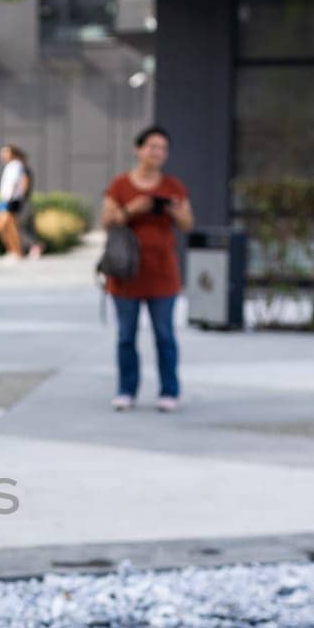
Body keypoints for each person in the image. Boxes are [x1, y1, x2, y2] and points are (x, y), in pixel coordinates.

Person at [100, 125, 193, 412]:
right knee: (126, 336)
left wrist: (172, 210)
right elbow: (106, 221)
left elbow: (188, 224)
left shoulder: (173, 187)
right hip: (126, 274)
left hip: (163, 275)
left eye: (163, 148)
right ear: (138, 149)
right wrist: (134, 209)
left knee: (165, 335)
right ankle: (126, 390)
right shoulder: (120, 185)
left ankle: (169, 391)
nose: (158, 153)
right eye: (152, 147)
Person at [0, 145, 26, 259]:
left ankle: (17, 252)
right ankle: (13, 251)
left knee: (8, 226)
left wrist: (8, 200)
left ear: (12, 153)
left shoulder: (16, 165)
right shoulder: (10, 166)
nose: (2, 155)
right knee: (2, 226)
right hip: (5, 200)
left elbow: (14, 183)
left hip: (10, 200)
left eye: (5, 152)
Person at [14, 148, 44, 259]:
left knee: (21, 226)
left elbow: (24, 187)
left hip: (23, 202)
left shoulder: (24, 170)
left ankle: (35, 247)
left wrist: (19, 199)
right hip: (26, 202)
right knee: (28, 226)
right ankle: (35, 247)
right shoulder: (25, 170)